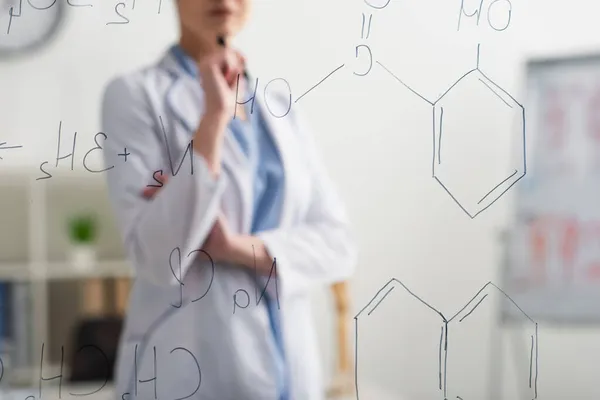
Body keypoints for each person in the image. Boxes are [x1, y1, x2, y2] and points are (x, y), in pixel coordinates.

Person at [100, 0, 357, 399]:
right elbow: (158, 258)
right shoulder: (134, 95)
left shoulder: (280, 107)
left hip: (289, 366)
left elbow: (338, 245)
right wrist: (214, 119)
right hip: (188, 367)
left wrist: (231, 246)